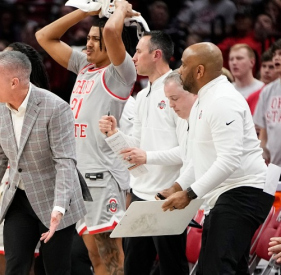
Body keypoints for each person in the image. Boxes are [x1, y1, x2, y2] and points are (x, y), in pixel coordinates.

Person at [0, 50, 86, 275]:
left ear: (14, 82)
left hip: (54, 198)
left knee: (56, 270)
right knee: (14, 267)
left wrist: (59, 207)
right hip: (18, 197)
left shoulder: (55, 107)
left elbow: (65, 162)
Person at [35, 2, 137, 274]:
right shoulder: (84, 66)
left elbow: (114, 32)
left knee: (111, 257)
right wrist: (86, 12)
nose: (88, 45)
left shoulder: (120, 73)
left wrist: (121, 9)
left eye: (96, 40)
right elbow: (44, 37)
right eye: (88, 38)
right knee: (95, 257)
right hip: (78, 176)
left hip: (101, 176)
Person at [162, 42, 274, 275]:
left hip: (244, 191)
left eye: (184, 65)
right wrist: (176, 186)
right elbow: (201, 157)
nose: (180, 70)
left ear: (199, 71)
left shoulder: (222, 100)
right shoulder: (205, 98)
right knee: (226, 267)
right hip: (229, 193)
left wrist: (189, 193)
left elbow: (229, 159)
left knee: (215, 269)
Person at [100, 31, 188, 275]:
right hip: (141, 194)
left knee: (172, 268)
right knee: (134, 268)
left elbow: (187, 151)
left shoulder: (178, 90)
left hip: (168, 196)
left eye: (138, 51)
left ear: (157, 54)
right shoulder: (141, 95)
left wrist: (147, 157)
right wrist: (115, 135)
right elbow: (136, 145)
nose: (133, 57)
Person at [253, 39, 281, 166]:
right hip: (274, 164)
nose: (276, 58)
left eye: (280, 54)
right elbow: (263, 131)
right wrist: (262, 151)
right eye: (275, 54)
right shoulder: (267, 91)